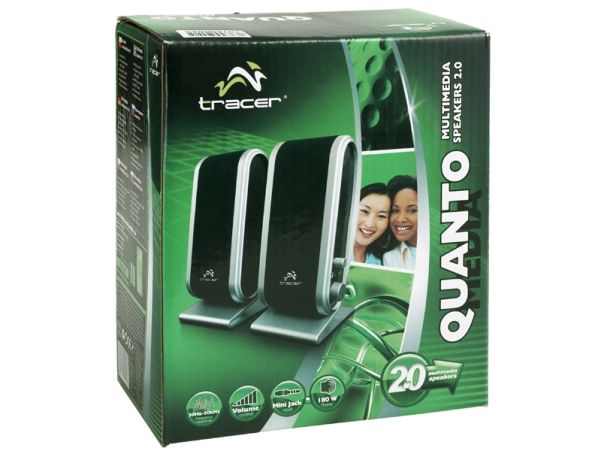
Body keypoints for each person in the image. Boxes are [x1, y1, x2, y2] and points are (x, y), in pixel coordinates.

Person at [383, 175, 418, 270]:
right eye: (395, 210)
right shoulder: (390, 258)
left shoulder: (446, 249)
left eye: (412, 210)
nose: (400, 219)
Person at [353, 183, 391, 266]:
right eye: (364, 211)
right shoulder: (328, 250)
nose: (370, 224)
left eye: (381, 216)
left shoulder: (385, 262)